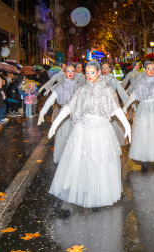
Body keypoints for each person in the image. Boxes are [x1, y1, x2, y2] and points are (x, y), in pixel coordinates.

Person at [48, 61, 131, 209]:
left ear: (98, 72)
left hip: (101, 131)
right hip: (83, 129)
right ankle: (63, 193)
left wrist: (127, 126)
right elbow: (69, 107)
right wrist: (55, 124)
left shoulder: (108, 91)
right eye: (87, 72)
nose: (89, 75)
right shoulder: (81, 90)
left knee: (99, 162)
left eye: (92, 72)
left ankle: (97, 194)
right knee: (75, 160)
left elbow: (116, 110)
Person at [38, 65, 79, 163]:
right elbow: (50, 100)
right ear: (65, 72)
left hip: (76, 114)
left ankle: (74, 159)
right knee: (62, 136)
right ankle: (64, 159)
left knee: (75, 137)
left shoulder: (79, 86)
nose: (70, 73)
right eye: (68, 71)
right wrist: (42, 112)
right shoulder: (60, 86)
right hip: (63, 116)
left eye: (72, 71)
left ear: (74, 73)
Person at [101, 63, 130, 146]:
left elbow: (121, 91)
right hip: (101, 104)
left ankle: (112, 140)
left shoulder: (113, 79)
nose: (105, 70)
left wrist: (127, 102)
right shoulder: (98, 79)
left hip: (111, 103)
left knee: (112, 121)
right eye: (103, 68)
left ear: (110, 69)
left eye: (106, 68)